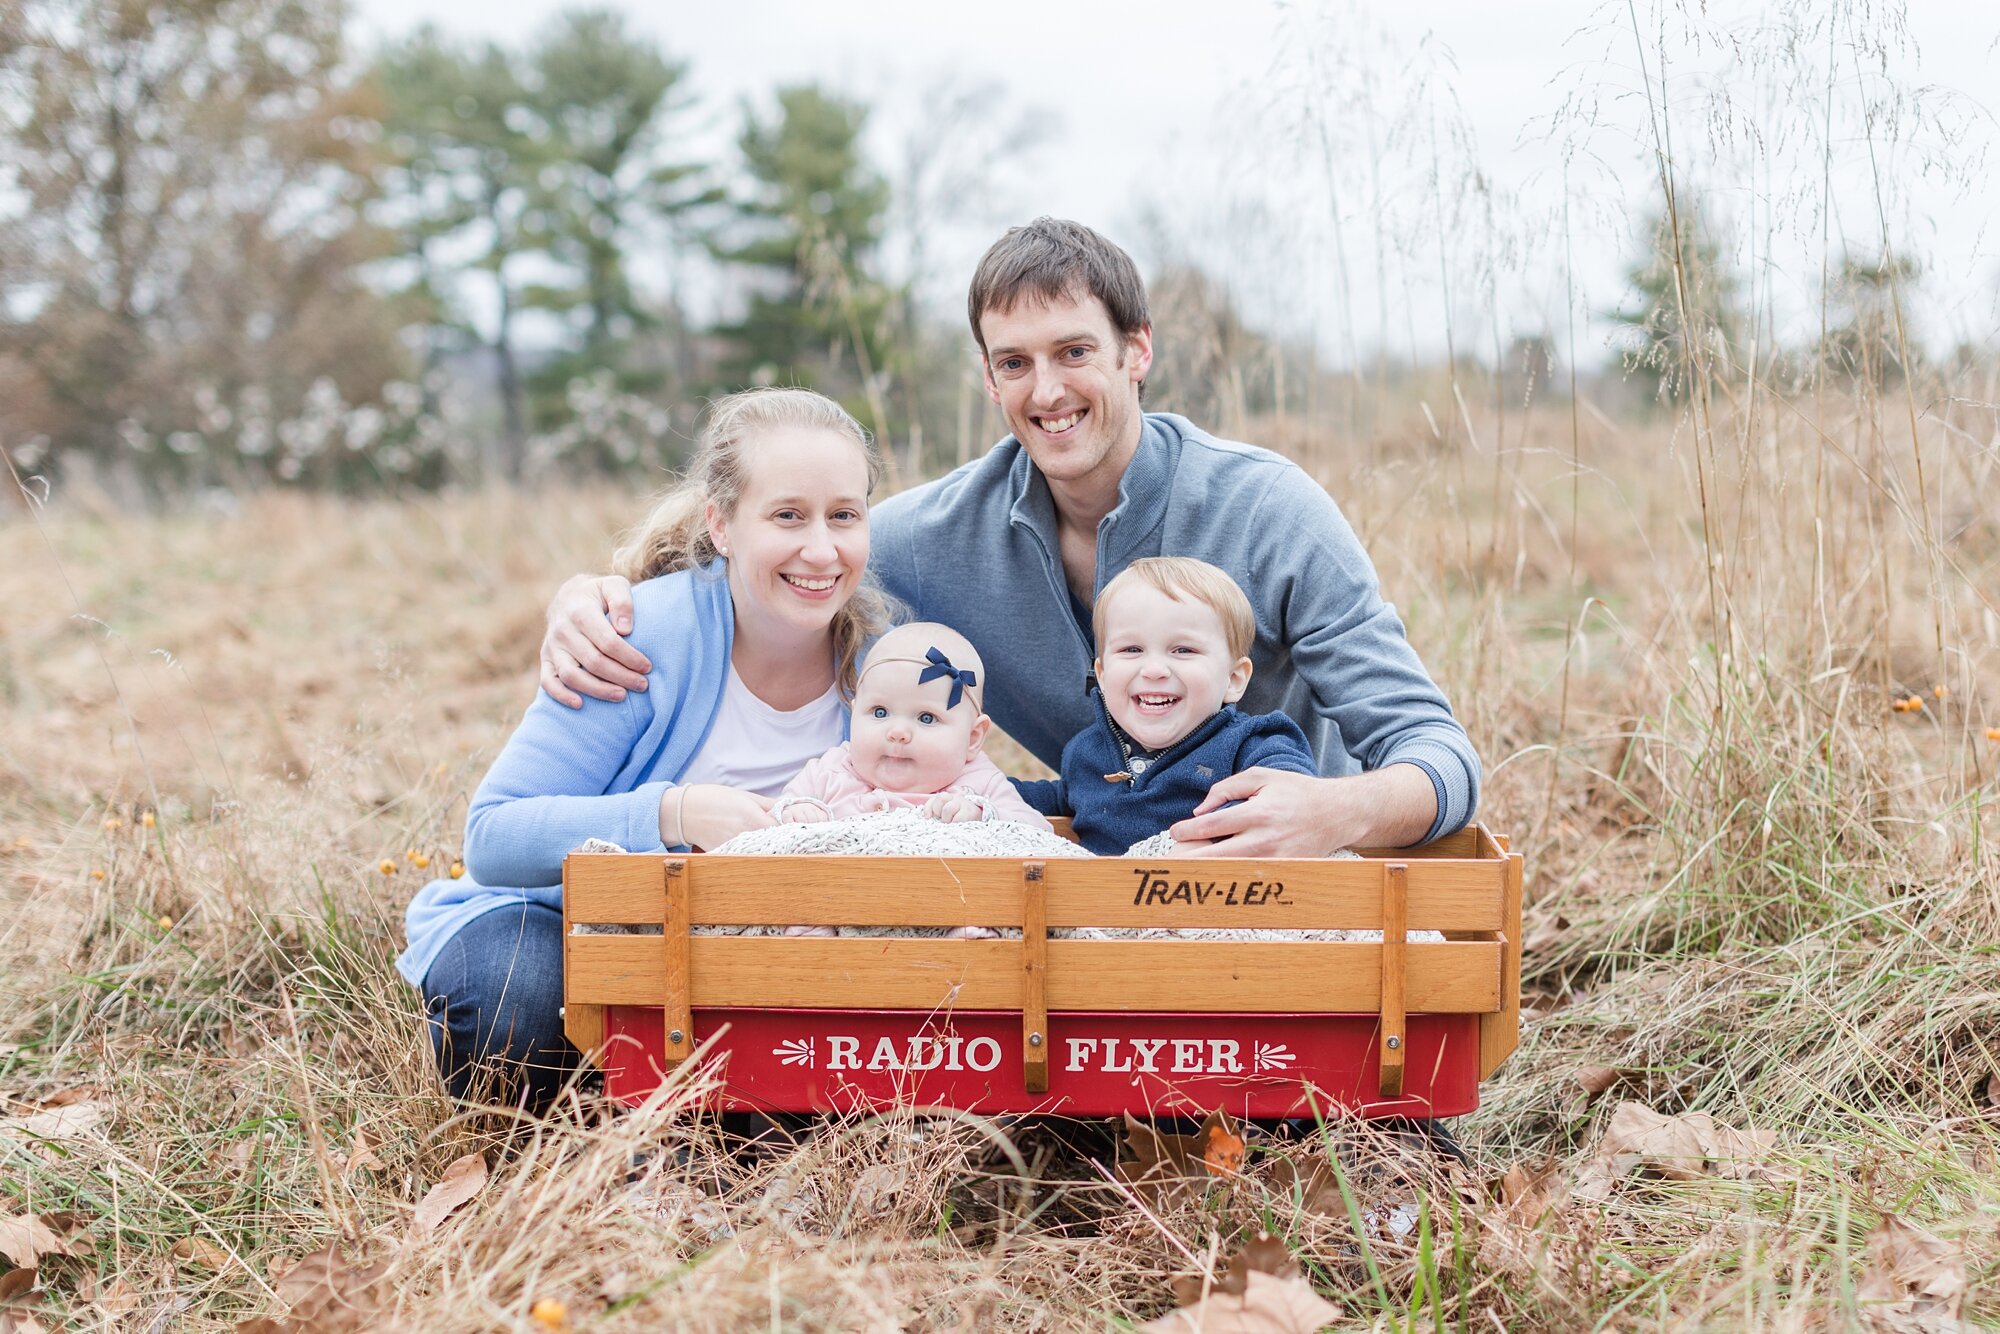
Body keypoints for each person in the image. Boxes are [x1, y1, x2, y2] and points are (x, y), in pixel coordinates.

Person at [540, 217, 1479, 860]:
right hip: (1103, 893)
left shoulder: (1270, 510)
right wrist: (593, 593)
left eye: (1075, 352)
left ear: (1136, 351)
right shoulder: (932, 536)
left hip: (1294, 891)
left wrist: (1332, 808)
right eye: (1015, 363)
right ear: (989, 379)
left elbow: (1438, 752)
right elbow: (777, 549)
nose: (1048, 390)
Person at [396, 387, 891, 1110]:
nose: (821, 549)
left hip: (736, 948)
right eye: (787, 515)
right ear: (721, 525)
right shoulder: (636, 638)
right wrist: (677, 813)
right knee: (519, 1001)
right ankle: (578, 1140)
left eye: (843, 516)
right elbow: (493, 836)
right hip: (553, 917)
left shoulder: (879, 670)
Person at [1014, 557, 1316, 855]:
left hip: (1214, 895)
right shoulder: (1086, 753)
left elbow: (1288, 789)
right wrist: (980, 791)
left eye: (1183, 650)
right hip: (1106, 899)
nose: (1154, 669)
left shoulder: (1249, 745)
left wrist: (1218, 834)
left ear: (1233, 679)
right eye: (1132, 649)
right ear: (1103, 675)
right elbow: (1056, 799)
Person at [771, 622, 1052, 830]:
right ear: (854, 714)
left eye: (926, 718)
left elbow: (1039, 831)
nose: (898, 732)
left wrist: (983, 816)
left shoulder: (979, 783)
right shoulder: (828, 773)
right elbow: (773, 819)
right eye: (880, 712)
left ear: (972, 738)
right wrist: (797, 810)